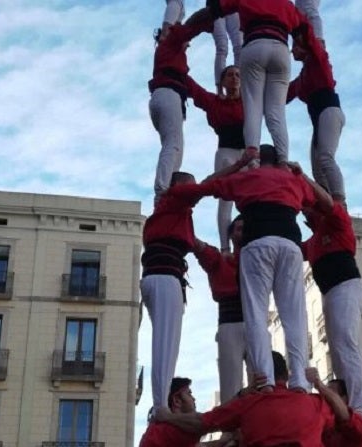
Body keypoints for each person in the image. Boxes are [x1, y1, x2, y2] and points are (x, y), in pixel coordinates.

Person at [188, 145, 332, 390]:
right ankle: (299, 380)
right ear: (279, 161)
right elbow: (327, 203)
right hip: (290, 243)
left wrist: (237, 165)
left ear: (257, 162)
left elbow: (205, 187)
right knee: (294, 314)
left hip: (257, 245)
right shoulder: (291, 179)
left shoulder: (246, 176)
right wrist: (301, 174)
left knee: (256, 313)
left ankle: (264, 378)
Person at [186, 0, 311, 163]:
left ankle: (252, 152)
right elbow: (304, 32)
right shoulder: (287, 4)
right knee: (277, 111)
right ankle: (283, 160)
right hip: (281, 49)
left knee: (252, 106)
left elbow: (212, 10)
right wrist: (312, 54)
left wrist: (185, 30)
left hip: (255, 44)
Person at [156, 351, 336, 446]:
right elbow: (344, 416)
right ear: (286, 376)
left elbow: (204, 422)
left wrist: (166, 416)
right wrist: (319, 385)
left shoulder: (247, 405)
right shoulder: (314, 403)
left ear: (258, 375)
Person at [301, 200, 362, 421]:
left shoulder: (337, 223)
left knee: (346, 343)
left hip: (346, 287)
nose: (306, 214)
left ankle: (360, 404)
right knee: (339, 349)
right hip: (331, 293)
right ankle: (345, 395)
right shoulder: (312, 243)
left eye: (309, 209)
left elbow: (329, 200)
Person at [140, 171, 205, 413]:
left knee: (166, 341)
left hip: (159, 278)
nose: (193, 191)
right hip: (165, 277)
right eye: (190, 186)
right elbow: (209, 186)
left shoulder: (170, 213)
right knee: (166, 343)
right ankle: (161, 407)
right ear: (177, 187)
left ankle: (161, 403)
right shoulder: (174, 202)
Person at [148, 16, 212, 204]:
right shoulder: (170, 44)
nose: (187, 46)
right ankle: (162, 191)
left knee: (176, 148)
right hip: (168, 96)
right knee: (173, 144)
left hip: (164, 96)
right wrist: (210, 16)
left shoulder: (170, 60)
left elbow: (197, 92)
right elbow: (189, 28)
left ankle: (169, 187)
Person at [186, 67, 245, 251]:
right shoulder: (215, 102)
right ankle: (225, 248)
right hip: (226, 152)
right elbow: (194, 89)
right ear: (223, 82)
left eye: (237, 75)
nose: (234, 78)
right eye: (230, 75)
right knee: (225, 200)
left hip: (247, 152)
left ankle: (250, 239)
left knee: (252, 198)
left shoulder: (251, 101)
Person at [193, 216, 249, 403]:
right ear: (231, 235)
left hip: (253, 322)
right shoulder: (219, 260)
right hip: (229, 323)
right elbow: (199, 247)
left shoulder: (259, 257)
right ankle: (231, 430)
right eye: (239, 228)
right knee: (230, 384)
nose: (243, 232)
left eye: (246, 228)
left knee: (262, 378)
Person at [287, 26, 346, 203]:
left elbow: (311, 39)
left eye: (296, 46)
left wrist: (297, 28)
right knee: (317, 168)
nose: (292, 50)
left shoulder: (318, 59)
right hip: (319, 117)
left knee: (325, 157)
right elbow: (284, 94)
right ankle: (325, 203)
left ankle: (339, 202)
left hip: (329, 110)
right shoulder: (302, 77)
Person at [306, 369, 362, 447]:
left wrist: (319, 385)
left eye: (330, 393)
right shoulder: (328, 429)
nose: (325, 398)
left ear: (344, 399)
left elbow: (346, 417)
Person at [139, 377, 201, 446]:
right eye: (189, 394)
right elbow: (206, 422)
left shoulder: (158, 432)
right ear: (176, 401)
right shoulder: (164, 433)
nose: (194, 399)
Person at [213, 13, 242, 92]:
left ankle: (240, 88)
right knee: (222, 47)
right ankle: (219, 90)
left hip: (233, 6)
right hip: (216, 5)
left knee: (240, 47)